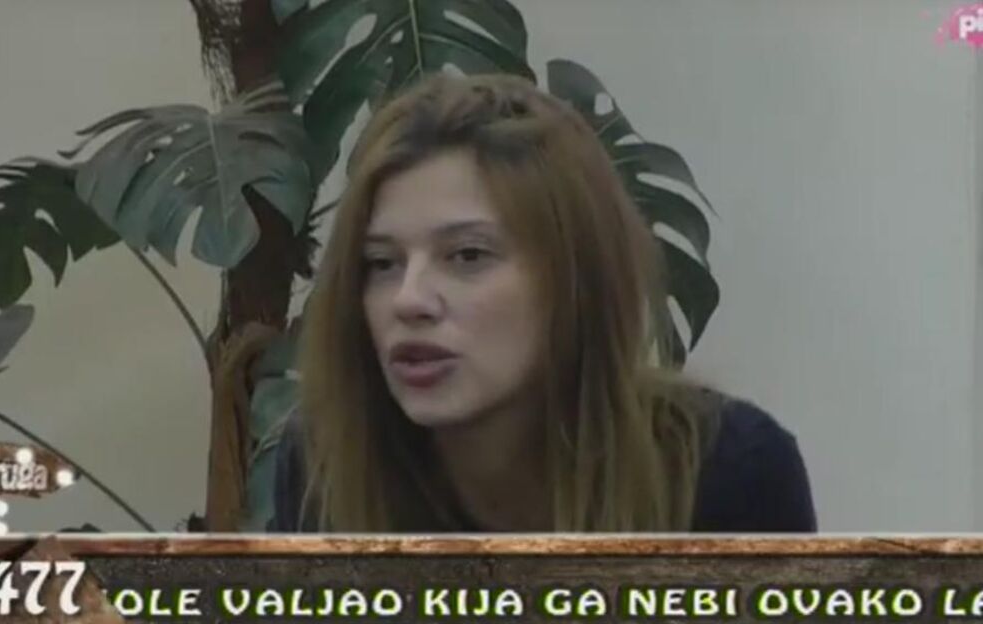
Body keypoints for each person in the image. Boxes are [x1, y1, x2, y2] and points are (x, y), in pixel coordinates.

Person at [270, 73, 816, 533]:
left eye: (467, 256)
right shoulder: (326, 462)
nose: (409, 300)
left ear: (573, 279)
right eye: (381, 263)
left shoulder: (724, 472)